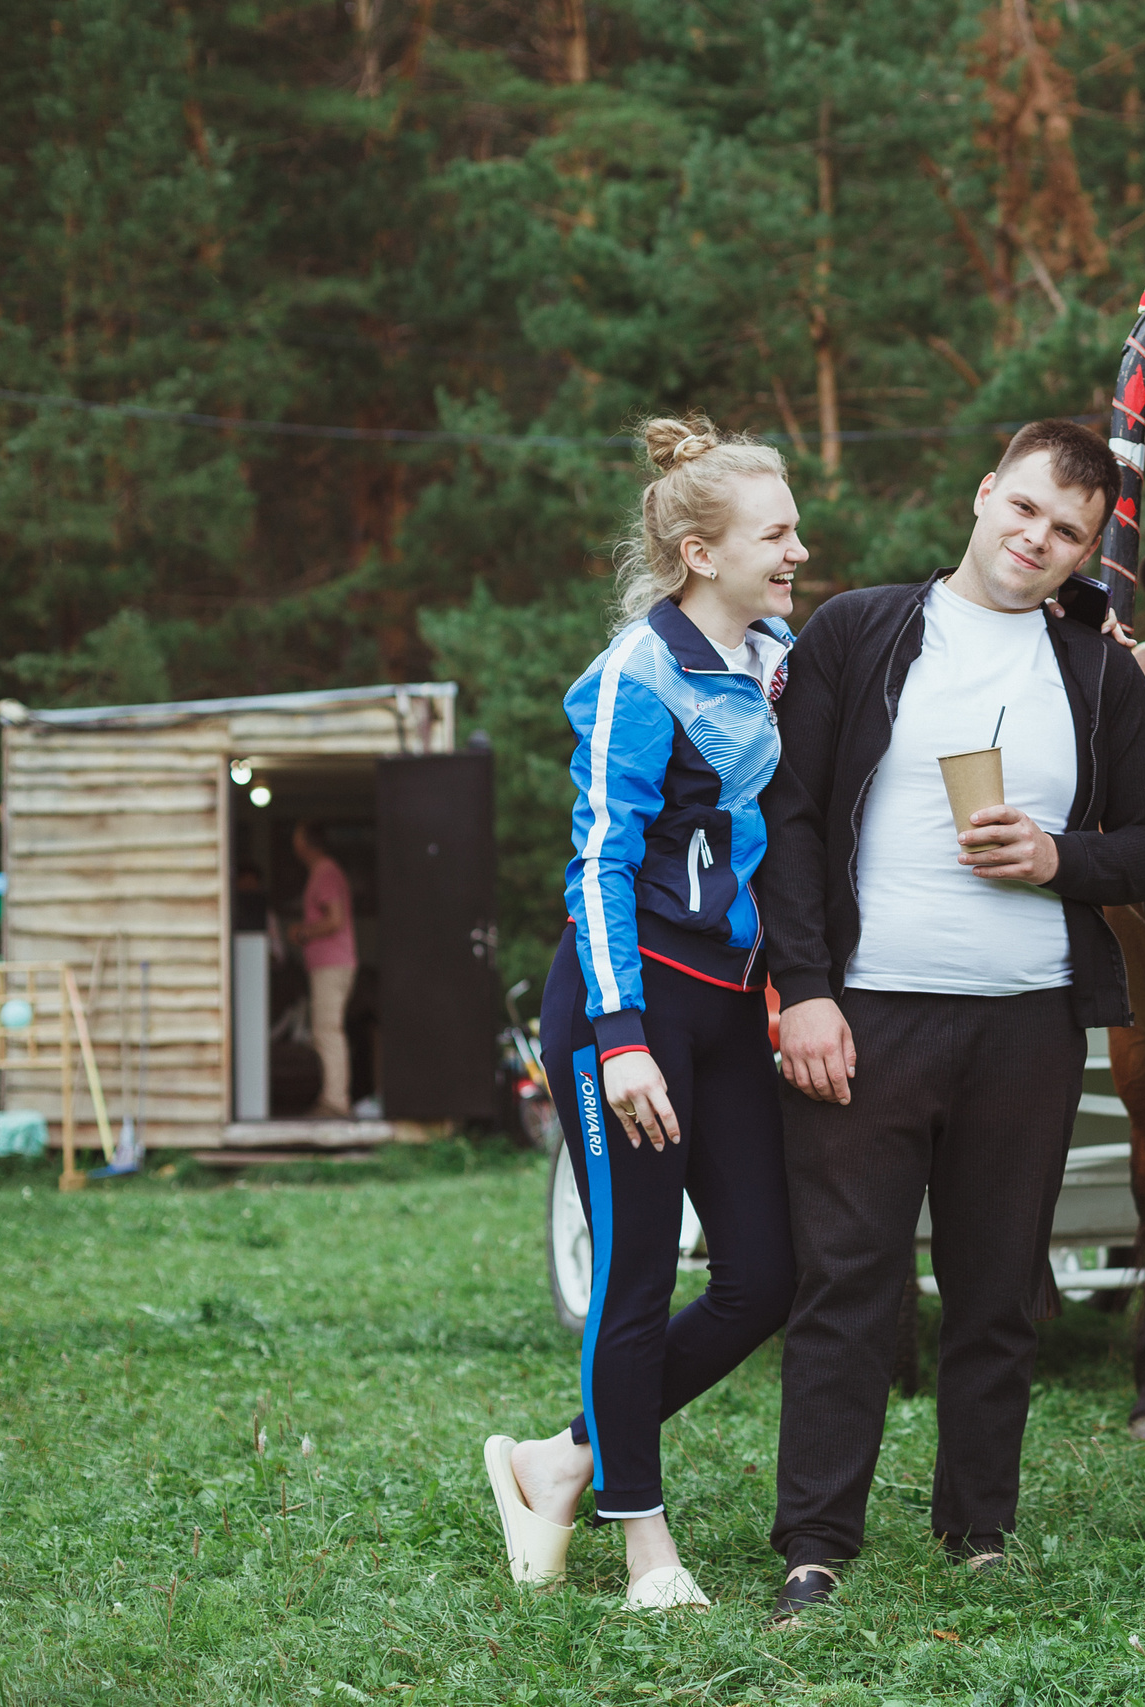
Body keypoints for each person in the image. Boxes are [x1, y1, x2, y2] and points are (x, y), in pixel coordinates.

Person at [758, 419, 1145, 1621]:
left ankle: (977, 1529)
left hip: (1024, 1027)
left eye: (1068, 533)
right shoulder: (858, 629)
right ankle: (814, 1544)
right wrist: (804, 992)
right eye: (1027, 511)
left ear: (1086, 553)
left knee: (1000, 1292)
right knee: (847, 1284)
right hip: (868, 1018)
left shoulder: (1098, 672)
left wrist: (1056, 855)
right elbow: (787, 824)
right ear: (985, 493)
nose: (1037, 542)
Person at [481, 416, 805, 1612]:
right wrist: (618, 1039)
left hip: (727, 1007)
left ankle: (560, 1459)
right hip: (630, 1008)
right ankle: (642, 1546)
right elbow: (600, 862)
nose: (796, 550)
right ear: (698, 554)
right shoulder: (635, 672)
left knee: (761, 1279)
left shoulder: (778, 657)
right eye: (776, 533)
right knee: (631, 1277)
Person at [288, 823, 355, 1118]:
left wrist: (303, 933)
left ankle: (335, 1102)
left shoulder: (325, 872)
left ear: (306, 843)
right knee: (325, 1030)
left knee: (328, 1030)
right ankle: (332, 1097)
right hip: (328, 964)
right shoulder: (323, 872)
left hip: (333, 964)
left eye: (297, 838)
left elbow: (335, 919)